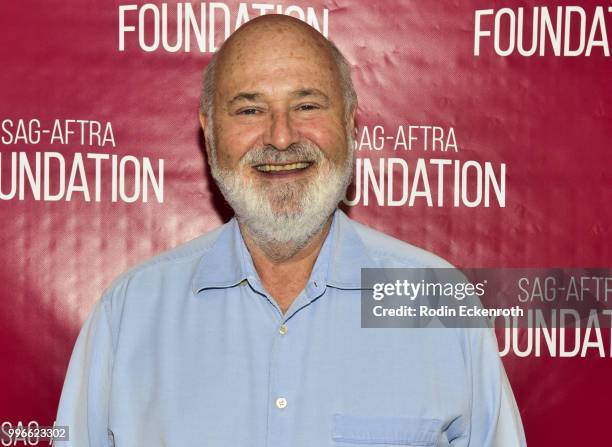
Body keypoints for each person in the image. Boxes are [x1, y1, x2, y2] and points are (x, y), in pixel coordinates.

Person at [56, 14, 526, 447]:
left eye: (306, 105)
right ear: (209, 131)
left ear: (348, 121)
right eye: (249, 110)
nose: (281, 137)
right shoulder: (130, 314)